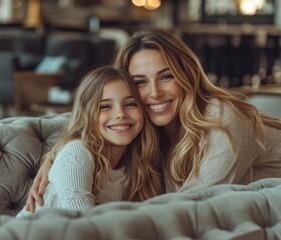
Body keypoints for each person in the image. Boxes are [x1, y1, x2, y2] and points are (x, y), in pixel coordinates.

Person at [26, 28, 281, 212]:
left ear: (187, 75)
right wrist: (59, 155)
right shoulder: (148, 131)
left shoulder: (221, 118)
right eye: (139, 82)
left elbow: (194, 208)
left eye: (166, 76)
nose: (155, 92)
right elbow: (91, 115)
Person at [16, 66, 162, 217]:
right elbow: (84, 222)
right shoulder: (77, 151)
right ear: (87, 115)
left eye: (130, 104)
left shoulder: (136, 164)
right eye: (105, 106)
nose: (120, 114)